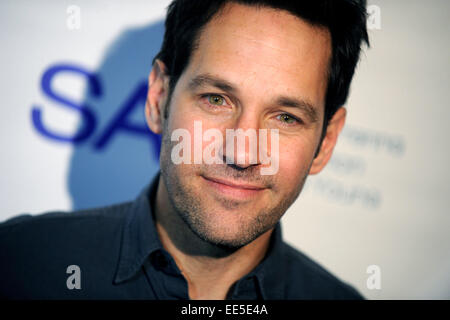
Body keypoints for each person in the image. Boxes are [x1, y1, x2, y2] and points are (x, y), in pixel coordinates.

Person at [0, 0, 369, 300]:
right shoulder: (19, 263)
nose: (241, 154)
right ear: (159, 99)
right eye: (216, 99)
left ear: (326, 142)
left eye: (285, 118)